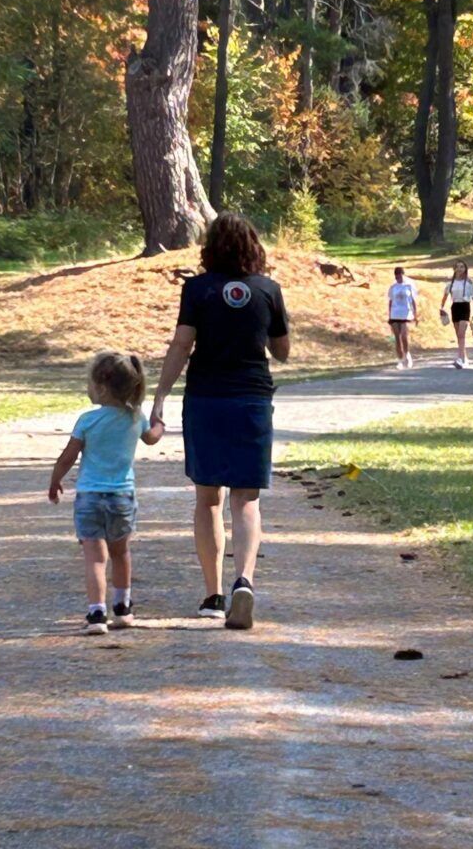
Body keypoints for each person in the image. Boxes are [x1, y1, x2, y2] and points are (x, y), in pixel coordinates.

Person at [150, 213, 289, 631]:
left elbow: (182, 343)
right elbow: (281, 351)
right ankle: (244, 581)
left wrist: (159, 394)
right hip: (251, 399)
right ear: (253, 247)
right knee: (246, 499)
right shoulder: (269, 290)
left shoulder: (197, 289)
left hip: (206, 398)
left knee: (208, 498)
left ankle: (213, 595)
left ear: (210, 247)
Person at [48, 352, 164, 635]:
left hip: (89, 497)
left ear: (100, 386)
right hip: (122, 497)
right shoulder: (135, 419)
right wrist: (159, 422)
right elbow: (152, 438)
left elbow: (67, 457)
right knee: (121, 553)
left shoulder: (87, 420)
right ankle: (122, 608)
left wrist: (55, 480)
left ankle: (97, 612)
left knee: (95, 557)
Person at [441, 259, 473, 368]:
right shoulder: (450, 283)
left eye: (462, 267)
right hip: (455, 307)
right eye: (458, 267)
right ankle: (464, 357)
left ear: (465, 269)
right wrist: (441, 308)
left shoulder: (469, 282)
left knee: (461, 334)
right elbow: (445, 297)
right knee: (458, 335)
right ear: (454, 269)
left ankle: (460, 358)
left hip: (465, 306)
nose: (460, 269)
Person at [387, 266, 419, 369]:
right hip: (395, 313)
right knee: (397, 338)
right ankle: (400, 359)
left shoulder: (409, 286)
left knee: (404, 336)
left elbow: (413, 300)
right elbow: (391, 301)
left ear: (403, 275)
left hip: (406, 313)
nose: (398, 278)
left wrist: (415, 314)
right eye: (396, 276)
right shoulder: (393, 287)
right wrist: (389, 314)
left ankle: (407, 355)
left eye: (399, 276)